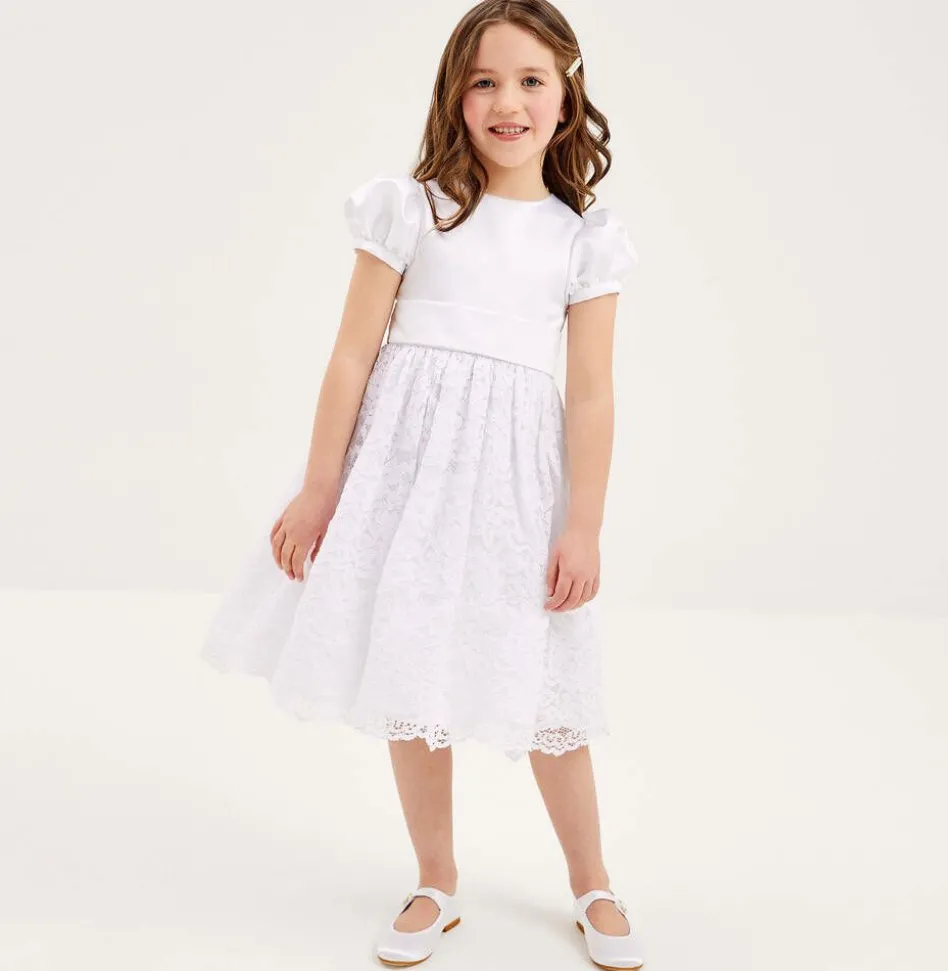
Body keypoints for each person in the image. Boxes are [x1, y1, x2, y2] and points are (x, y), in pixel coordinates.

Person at [201, 1, 643, 967]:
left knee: (546, 687)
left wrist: (583, 525)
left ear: (567, 96)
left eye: (530, 80)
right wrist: (321, 486)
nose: (507, 102)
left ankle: (592, 880)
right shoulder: (413, 210)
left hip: (515, 489)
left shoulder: (582, 240)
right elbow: (352, 355)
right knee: (411, 665)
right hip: (405, 476)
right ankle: (435, 878)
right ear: (455, 95)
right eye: (484, 81)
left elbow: (592, 395)